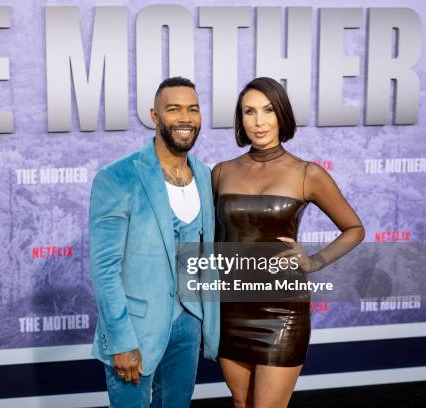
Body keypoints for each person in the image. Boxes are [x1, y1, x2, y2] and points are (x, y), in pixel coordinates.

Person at [212, 77, 365, 408]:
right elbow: (211, 240)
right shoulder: (221, 172)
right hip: (229, 308)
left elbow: (354, 228)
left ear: (282, 114)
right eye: (249, 112)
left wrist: (313, 262)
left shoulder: (307, 173)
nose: (259, 121)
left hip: (282, 310)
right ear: (240, 120)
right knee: (242, 403)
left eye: (267, 110)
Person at [89, 77, 219, 407]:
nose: (185, 118)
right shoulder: (118, 177)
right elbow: (104, 270)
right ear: (155, 116)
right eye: (173, 109)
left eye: (193, 109)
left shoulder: (205, 175)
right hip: (134, 331)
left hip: (188, 326)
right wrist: (120, 341)